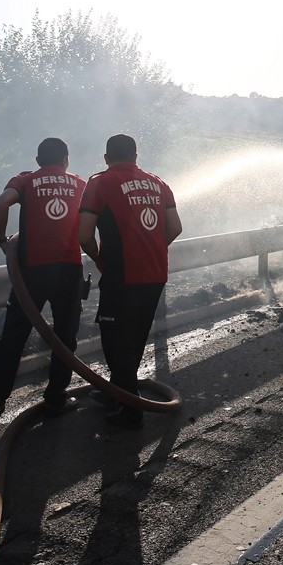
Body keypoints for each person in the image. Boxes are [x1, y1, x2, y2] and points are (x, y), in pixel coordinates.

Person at [0, 137, 87, 433]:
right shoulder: (80, 183)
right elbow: (92, 223)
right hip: (69, 270)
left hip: (32, 272)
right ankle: (55, 398)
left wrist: (2, 240)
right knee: (65, 338)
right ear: (66, 159)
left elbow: (2, 203)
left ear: (38, 161)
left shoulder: (26, 180)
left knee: (13, 340)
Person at [79, 134, 182, 430]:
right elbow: (175, 226)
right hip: (156, 273)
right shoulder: (158, 183)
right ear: (136, 157)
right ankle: (118, 394)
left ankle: (130, 409)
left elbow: (84, 235)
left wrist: (99, 259)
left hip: (122, 274)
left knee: (114, 339)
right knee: (135, 337)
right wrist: (153, 248)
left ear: (107, 158)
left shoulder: (100, 181)